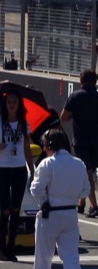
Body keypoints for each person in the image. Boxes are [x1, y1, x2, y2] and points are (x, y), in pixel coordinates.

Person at [24, 129, 88, 269]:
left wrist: (45, 199)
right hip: (70, 214)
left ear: (50, 146)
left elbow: (36, 190)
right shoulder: (79, 164)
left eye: (44, 145)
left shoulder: (47, 164)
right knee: (71, 258)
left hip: (49, 214)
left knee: (43, 259)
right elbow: (85, 191)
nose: (43, 148)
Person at [0, 87, 36, 261]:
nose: (12, 104)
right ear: (5, 104)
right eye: (9, 102)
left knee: (16, 210)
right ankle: (1, 249)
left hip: (19, 170)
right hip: (1, 170)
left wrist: (32, 170)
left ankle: (11, 248)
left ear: (19, 104)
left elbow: (27, 149)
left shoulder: (24, 123)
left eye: (15, 101)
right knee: (4, 210)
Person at [60, 69, 98, 217]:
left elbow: (63, 117)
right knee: (88, 171)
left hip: (81, 140)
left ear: (81, 81)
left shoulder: (75, 96)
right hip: (96, 141)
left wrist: (75, 115)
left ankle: (94, 205)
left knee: (87, 172)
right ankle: (82, 203)